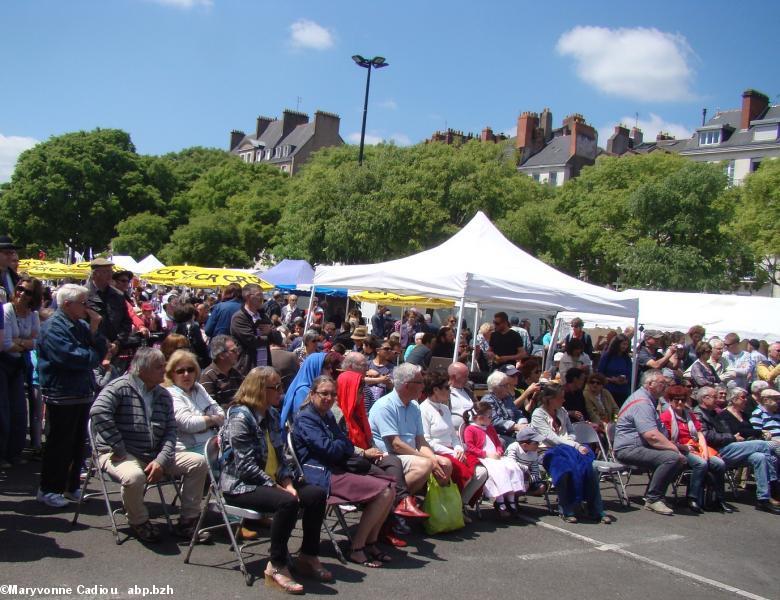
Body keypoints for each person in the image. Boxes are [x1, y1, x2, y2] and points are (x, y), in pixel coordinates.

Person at [219, 367, 328, 593]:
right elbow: (245, 467)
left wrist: (287, 482)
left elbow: (281, 456)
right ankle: (276, 564)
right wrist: (279, 488)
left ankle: (308, 555)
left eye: (281, 385)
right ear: (259, 389)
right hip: (242, 484)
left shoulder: (271, 414)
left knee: (316, 494)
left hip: (272, 479)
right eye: (276, 387)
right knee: (286, 502)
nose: (281, 391)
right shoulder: (240, 417)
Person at [90, 347, 209, 542]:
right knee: (134, 476)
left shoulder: (163, 394)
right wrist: (118, 446)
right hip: (121, 453)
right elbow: (98, 412)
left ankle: (188, 521)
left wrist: (161, 461)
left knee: (198, 462)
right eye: (158, 367)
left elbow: (170, 431)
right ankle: (138, 521)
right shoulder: (119, 387)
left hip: (154, 454)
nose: (164, 370)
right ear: (141, 369)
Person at [293, 375, 395, 568]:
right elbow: (329, 449)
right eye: (324, 393)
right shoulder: (306, 418)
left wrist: (338, 444)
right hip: (320, 474)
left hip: (336, 468)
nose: (329, 398)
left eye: (333, 394)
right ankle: (357, 547)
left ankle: (370, 542)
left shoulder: (328, 416)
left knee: (391, 488)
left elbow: (345, 443)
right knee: (384, 492)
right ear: (312, 394)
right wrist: (339, 444)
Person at [35, 284, 107, 506]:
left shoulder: (81, 325)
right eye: (83, 303)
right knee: (59, 443)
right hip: (61, 392)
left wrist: (94, 328)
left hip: (81, 391)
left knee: (77, 443)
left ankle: (71, 485)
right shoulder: (53, 327)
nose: (87, 308)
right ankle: (49, 489)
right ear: (67, 304)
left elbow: (101, 347)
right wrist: (93, 355)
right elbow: (72, 358)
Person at [530, 384, 613, 523]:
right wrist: (575, 445)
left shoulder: (562, 411)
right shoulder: (538, 414)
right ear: (549, 399)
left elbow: (571, 431)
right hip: (547, 450)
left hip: (569, 447)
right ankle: (567, 509)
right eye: (560, 398)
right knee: (564, 469)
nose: (564, 400)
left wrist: (572, 440)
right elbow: (552, 438)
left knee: (590, 468)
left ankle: (596, 510)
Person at [693, 386, 780, 514]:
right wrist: (732, 437)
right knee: (765, 445)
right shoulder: (698, 414)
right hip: (715, 451)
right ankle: (775, 487)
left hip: (730, 447)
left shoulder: (715, 412)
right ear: (705, 398)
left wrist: (734, 437)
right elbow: (706, 436)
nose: (719, 399)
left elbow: (729, 431)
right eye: (715, 397)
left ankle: (763, 499)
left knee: (759, 457)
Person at [368, 364, 451, 497]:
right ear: (407, 385)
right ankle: (394, 501)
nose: (423, 386)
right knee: (425, 464)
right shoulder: (385, 406)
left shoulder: (414, 406)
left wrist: (433, 459)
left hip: (408, 455)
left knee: (445, 464)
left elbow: (421, 441)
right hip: (389, 457)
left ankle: (431, 505)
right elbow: (396, 445)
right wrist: (428, 459)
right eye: (420, 382)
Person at [612, 370, 686, 515]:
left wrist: (677, 447)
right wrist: (674, 449)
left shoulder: (650, 400)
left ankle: (660, 495)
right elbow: (652, 436)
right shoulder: (642, 402)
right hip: (629, 449)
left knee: (685, 456)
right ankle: (653, 499)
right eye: (662, 383)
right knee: (672, 458)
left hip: (642, 446)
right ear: (650, 384)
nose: (665, 386)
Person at [420, 371, 487, 520]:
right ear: (435, 389)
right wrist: (451, 452)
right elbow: (427, 440)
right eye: (446, 387)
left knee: (481, 471)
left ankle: (460, 504)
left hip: (453, 450)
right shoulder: (423, 409)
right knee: (464, 472)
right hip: (436, 452)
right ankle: (454, 508)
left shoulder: (444, 409)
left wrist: (458, 448)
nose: (449, 391)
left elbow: (453, 435)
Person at [659, 385, 728, 512]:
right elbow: (666, 440)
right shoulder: (666, 417)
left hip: (695, 447)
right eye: (676, 399)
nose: (680, 402)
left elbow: (700, 433)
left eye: (683, 399)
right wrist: (684, 447)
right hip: (678, 448)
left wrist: (705, 450)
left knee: (719, 464)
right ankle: (693, 498)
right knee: (701, 463)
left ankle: (718, 499)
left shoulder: (690, 415)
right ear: (670, 400)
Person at [1, 275, 40, 467]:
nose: (22, 294)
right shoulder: (6, 310)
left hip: (19, 364)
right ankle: (2, 454)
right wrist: (26, 343)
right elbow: (6, 344)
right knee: (3, 410)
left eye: (28, 292)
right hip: (3, 363)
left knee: (19, 410)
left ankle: (13, 453)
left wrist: (21, 343)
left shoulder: (32, 314)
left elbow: (37, 341)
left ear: (34, 296)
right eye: (20, 289)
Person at [464, 401, 527, 518]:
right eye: (489, 416)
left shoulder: (490, 428)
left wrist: (499, 451)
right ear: (480, 417)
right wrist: (486, 454)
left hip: (496, 457)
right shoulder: (470, 429)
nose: (491, 418)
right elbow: (470, 447)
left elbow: (497, 443)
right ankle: (500, 502)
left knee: (512, 467)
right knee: (498, 472)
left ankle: (511, 498)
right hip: (483, 457)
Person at [166, 349, 224, 455]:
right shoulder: (170, 393)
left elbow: (220, 412)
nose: (186, 374)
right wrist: (212, 419)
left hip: (211, 444)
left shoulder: (198, 388)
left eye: (190, 370)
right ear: (172, 374)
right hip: (189, 449)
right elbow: (189, 424)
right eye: (180, 371)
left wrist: (204, 423)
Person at [86, 258, 132, 367]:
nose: (110, 274)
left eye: (111, 271)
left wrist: (118, 343)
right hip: (91, 350)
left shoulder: (118, 295)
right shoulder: (84, 295)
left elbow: (126, 322)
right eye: (106, 271)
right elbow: (81, 323)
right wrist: (103, 341)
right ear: (95, 274)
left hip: (115, 351)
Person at [230, 283, 273, 376]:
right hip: (247, 368)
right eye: (259, 295)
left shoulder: (263, 316)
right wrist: (269, 336)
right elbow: (251, 340)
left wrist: (270, 333)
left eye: (262, 295)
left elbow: (278, 338)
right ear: (248, 297)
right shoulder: (239, 317)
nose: (262, 298)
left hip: (264, 368)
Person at [482, 370, 528, 446]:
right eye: (505, 385)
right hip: (497, 435)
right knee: (520, 445)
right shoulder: (487, 401)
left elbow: (517, 413)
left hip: (513, 433)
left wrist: (523, 424)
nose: (508, 387)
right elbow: (493, 421)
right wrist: (515, 426)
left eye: (508, 384)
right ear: (495, 387)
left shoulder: (507, 398)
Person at [280, 352, 324, 427]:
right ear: (316, 368)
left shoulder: (313, 388)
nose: (331, 371)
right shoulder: (303, 392)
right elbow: (305, 423)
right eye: (327, 368)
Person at [199, 334, 244, 408]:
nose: (238, 353)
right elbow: (209, 407)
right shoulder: (208, 376)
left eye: (237, 350)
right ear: (221, 355)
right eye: (233, 351)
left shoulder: (236, 374)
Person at [597, 333, 632, 405]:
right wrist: (612, 380)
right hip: (608, 391)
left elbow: (629, 375)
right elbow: (599, 374)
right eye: (623, 344)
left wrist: (623, 381)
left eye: (626, 344)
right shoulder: (607, 356)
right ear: (617, 344)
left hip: (623, 392)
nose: (625, 346)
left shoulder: (627, 358)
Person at [448, 362, 476, 431]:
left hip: (475, 428)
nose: (467, 379)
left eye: (467, 376)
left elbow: (479, 409)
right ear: (453, 377)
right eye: (464, 377)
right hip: (455, 432)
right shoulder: (445, 393)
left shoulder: (469, 392)